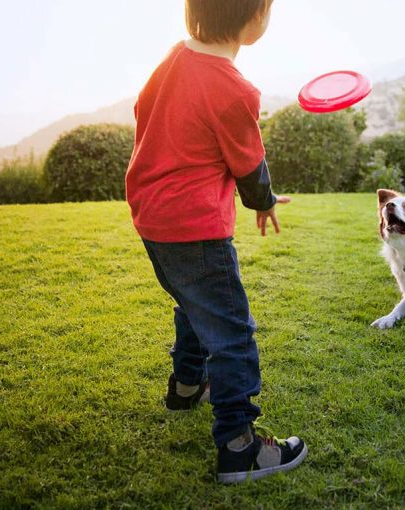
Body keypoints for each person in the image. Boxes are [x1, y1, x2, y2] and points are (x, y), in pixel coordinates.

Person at [125, 0, 306, 484]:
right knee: (231, 331)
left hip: (153, 220)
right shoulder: (234, 89)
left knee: (192, 305)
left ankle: (186, 387)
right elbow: (248, 162)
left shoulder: (171, 60)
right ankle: (239, 446)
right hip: (195, 226)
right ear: (252, 20)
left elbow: (147, 117)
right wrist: (263, 201)